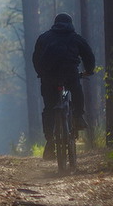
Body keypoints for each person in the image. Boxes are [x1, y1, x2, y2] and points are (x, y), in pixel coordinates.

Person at [32, 13, 96, 146]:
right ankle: (78, 116)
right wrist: (88, 71)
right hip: (70, 75)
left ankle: (50, 141)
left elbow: (36, 58)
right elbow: (88, 56)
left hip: (49, 78)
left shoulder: (44, 38)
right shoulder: (75, 38)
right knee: (77, 91)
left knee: (49, 108)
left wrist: (41, 73)